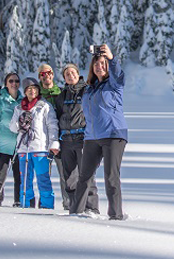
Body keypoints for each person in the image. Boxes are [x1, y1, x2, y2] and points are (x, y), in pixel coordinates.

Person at [70, 44, 128, 220]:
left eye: (103, 63)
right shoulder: (89, 89)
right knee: (84, 177)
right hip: (92, 137)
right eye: (96, 63)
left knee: (111, 177)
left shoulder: (114, 85)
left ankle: (115, 215)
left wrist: (111, 58)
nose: (99, 66)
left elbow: (118, 75)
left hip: (113, 134)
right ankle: (75, 213)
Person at [53, 63, 99, 213]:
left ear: (78, 74)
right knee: (70, 178)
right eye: (67, 74)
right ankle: (75, 208)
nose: (70, 76)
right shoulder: (61, 96)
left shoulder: (87, 91)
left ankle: (91, 208)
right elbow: (58, 117)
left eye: (72, 73)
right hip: (66, 140)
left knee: (87, 175)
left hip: (82, 139)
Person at [9, 77, 60, 209]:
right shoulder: (19, 108)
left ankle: (47, 206)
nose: (32, 91)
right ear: (25, 91)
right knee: (25, 181)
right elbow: (12, 128)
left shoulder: (44, 106)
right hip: (23, 149)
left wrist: (53, 143)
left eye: (35, 88)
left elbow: (52, 125)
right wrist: (20, 124)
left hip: (40, 148)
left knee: (43, 179)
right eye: (29, 89)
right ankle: (25, 205)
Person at [37, 63, 70, 210]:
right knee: (44, 175)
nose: (46, 76)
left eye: (49, 73)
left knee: (65, 174)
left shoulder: (61, 92)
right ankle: (44, 205)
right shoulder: (36, 94)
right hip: (43, 141)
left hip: (62, 140)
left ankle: (68, 204)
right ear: (40, 77)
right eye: (43, 74)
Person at [0, 72, 23, 207]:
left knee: (18, 176)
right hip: (2, 145)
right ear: (6, 84)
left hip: (18, 146)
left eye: (16, 81)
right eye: (11, 81)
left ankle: (18, 200)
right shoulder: (0, 101)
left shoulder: (22, 101)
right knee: (0, 175)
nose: (14, 84)